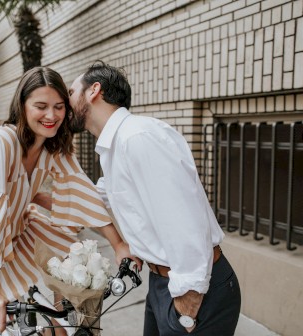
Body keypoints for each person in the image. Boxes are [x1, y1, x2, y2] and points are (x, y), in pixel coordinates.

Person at [0, 66, 139, 336]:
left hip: (20, 233)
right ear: (22, 105)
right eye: (41, 106)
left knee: (71, 258)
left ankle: (62, 322)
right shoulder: (2, 141)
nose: (51, 115)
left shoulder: (54, 144)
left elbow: (80, 189)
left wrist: (119, 244)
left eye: (59, 106)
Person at [68, 61, 241, 336]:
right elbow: (97, 198)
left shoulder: (138, 138)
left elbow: (184, 218)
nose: (65, 102)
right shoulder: (113, 147)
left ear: (94, 91)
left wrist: (188, 299)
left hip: (193, 288)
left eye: (70, 91)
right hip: (162, 283)